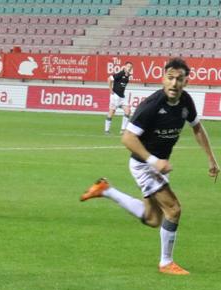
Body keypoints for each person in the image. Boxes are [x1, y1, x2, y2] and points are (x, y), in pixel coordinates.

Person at [81, 58, 219, 275]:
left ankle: (106, 190)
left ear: (186, 81)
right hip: (144, 164)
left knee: (153, 219)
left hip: (157, 166)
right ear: (163, 78)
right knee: (174, 209)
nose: (174, 84)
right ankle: (166, 263)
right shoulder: (152, 105)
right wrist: (154, 161)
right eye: (170, 78)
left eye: (179, 79)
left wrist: (211, 159)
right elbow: (127, 138)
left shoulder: (186, 102)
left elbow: (197, 128)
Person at [104, 61, 133, 135]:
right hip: (115, 96)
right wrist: (110, 90)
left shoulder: (128, 75)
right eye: (128, 66)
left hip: (122, 97)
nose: (129, 68)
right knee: (112, 111)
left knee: (128, 111)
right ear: (125, 66)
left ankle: (123, 130)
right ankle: (106, 130)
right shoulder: (120, 74)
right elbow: (109, 79)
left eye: (130, 67)